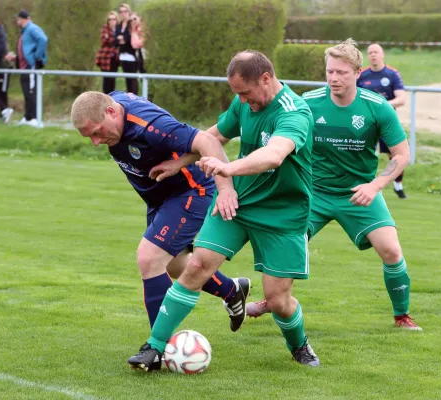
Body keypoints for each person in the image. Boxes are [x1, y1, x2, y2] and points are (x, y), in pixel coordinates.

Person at [127, 50, 320, 372]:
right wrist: (180, 161)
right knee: (196, 265)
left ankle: (299, 344)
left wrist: (228, 169)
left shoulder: (294, 112)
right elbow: (214, 135)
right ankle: (154, 347)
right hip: (238, 205)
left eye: (245, 93)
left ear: (266, 79)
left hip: (283, 215)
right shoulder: (244, 102)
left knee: (278, 301)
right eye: (236, 95)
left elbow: (273, 155)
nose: (242, 101)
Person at [246, 39, 422, 331]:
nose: (333, 78)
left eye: (341, 72)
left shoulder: (377, 108)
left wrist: (375, 186)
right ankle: (273, 300)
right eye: (329, 72)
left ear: (358, 72)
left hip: (360, 192)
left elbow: (402, 155)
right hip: (312, 192)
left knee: (391, 250)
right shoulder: (308, 102)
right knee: (288, 246)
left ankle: (402, 316)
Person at [70, 90, 251, 331]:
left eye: (96, 132)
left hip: (191, 191)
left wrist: (225, 188)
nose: (95, 142)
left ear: (111, 112)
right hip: (160, 198)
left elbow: (209, 142)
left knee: (149, 258)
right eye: (88, 137)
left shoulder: (152, 126)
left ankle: (160, 345)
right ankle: (231, 290)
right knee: (173, 265)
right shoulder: (110, 104)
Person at [357, 43, 408, 199]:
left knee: (395, 155)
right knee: (362, 153)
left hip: (387, 122)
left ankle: (398, 187)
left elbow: (402, 98)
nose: (373, 55)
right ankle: (363, 185)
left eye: (376, 52)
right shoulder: (362, 75)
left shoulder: (392, 74)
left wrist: (382, 106)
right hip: (366, 123)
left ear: (382, 54)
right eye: (370, 52)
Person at [4, 10, 47, 128]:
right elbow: (25, 49)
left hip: (31, 65)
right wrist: (16, 58)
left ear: (26, 18)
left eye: (18, 19)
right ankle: (28, 117)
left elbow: (43, 39)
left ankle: (35, 118)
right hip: (23, 67)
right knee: (26, 92)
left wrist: (37, 56)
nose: (17, 21)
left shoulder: (32, 28)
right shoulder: (24, 31)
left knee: (32, 91)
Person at [114, 3, 138, 94]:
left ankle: (134, 98)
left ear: (129, 12)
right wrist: (121, 40)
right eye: (121, 11)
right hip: (122, 56)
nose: (123, 13)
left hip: (131, 55)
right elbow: (115, 40)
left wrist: (123, 39)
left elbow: (129, 39)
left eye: (125, 11)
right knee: (127, 80)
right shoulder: (119, 25)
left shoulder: (131, 24)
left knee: (132, 79)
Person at [95, 11, 119, 94]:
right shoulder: (105, 28)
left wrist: (112, 39)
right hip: (105, 58)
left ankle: (111, 100)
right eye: (110, 19)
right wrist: (116, 40)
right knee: (106, 80)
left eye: (113, 19)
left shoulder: (118, 29)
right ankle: (105, 99)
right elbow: (105, 40)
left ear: (117, 20)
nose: (112, 21)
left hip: (114, 58)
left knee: (113, 80)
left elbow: (120, 41)